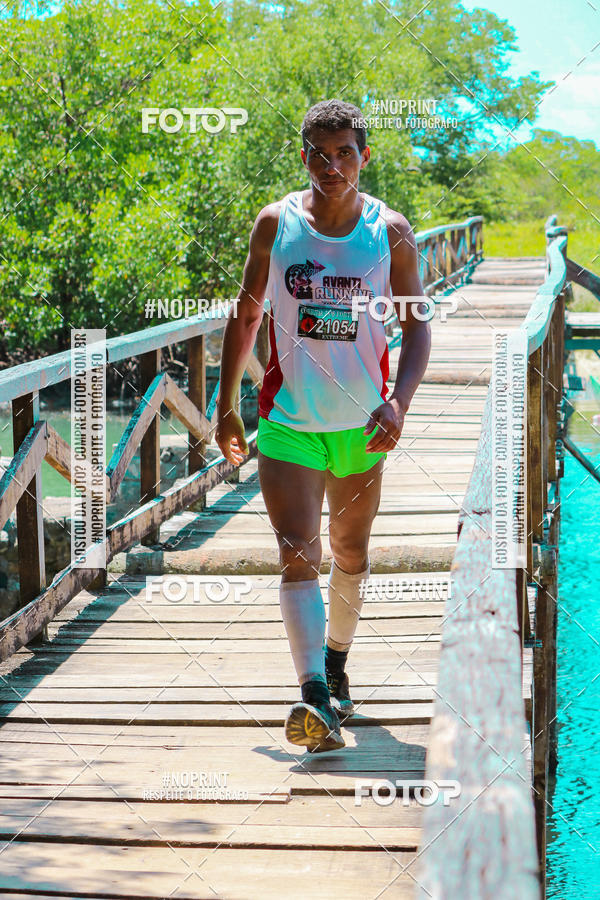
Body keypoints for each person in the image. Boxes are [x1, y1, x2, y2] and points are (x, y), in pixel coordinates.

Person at [215, 99, 431, 752]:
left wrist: (399, 402)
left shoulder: (389, 231)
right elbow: (246, 315)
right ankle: (312, 696)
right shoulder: (275, 224)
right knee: (297, 552)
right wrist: (226, 403)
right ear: (303, 154)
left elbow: (418, 326)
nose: (331, 166)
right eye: (319, 154)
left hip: (363, 426)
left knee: (351, 551)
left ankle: (336, 663)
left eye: (344, 154)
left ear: (365, 156)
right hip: (288, 421)